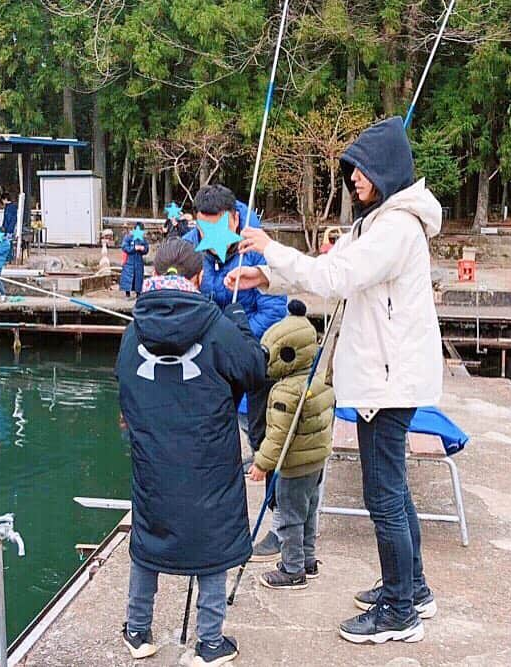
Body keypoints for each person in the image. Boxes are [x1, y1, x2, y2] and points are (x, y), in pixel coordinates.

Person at [226, 116, 444, 644]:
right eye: (350, 172)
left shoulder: (395, 227)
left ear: (387, 171)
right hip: (388, 376)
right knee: (393, 489)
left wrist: (267, 248)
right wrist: (268, 276)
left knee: (384, 495)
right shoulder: (377, 222)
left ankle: (398, 613)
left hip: (389, 380)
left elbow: (336, 278)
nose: (354, 180)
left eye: (362, 171)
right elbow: (334, 264)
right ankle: (412, 588)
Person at [116, 237, 266, 667]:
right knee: (212, 541)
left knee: (149, 536)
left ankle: (137, 630)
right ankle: (209, 643)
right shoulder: (218, 324)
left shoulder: (134, 327)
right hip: (208, 458)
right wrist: (237, 318)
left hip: (152, 458)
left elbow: (124, 382)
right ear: (199, 278)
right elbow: (255, 370)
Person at [183, 184, 287, 561]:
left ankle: (282, 526)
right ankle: (210, 517)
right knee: (209, 434)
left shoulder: (258, 249)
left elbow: (274, 314)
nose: (205, 238)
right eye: (200, 230)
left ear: (234, 218)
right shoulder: (194, 241)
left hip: (259, 359)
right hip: (214, 361)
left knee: (265, 440)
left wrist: (232, 340)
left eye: (213, 229)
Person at [247, 299, 334, 590]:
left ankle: (292, 569)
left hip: (294, 466)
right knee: (308, 513)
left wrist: (261, 464)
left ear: (286, 355)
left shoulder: (285, 392)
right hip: (316, 462)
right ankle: (308, 561)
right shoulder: (319, 380)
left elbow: (277, 437)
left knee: (290, 519)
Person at [119, 223, 148, 298]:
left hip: (138, 261)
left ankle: (138, 293)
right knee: (128, 277)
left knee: (138, 277)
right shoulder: (128, 237)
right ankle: (127, 293)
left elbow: (146, 249)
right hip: (129, 260)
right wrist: (134, 248)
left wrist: (142, 249)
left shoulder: (143, 238)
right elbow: (124, 247)